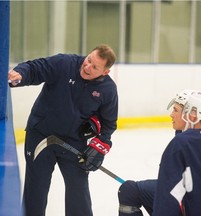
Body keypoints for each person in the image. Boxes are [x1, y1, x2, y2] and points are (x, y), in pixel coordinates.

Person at [8, 44, 118, 216]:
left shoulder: (108, 90)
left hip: (73, 142)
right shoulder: (64, 63)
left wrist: (100, 146)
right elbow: (35, 68)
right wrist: (20, 74)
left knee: (79, 191)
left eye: (95, 67)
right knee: (35, 189)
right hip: (41, 136)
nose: (87, 66)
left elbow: (109, 124)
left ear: (105, 72)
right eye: (88, 59)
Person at [118, 89, 195, 216]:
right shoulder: (182, 133)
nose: (171, 115)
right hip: (177, 191)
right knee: (129, 190)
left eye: (175, 110)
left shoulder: (198, 141)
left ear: (189, 115)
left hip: (189, 198)